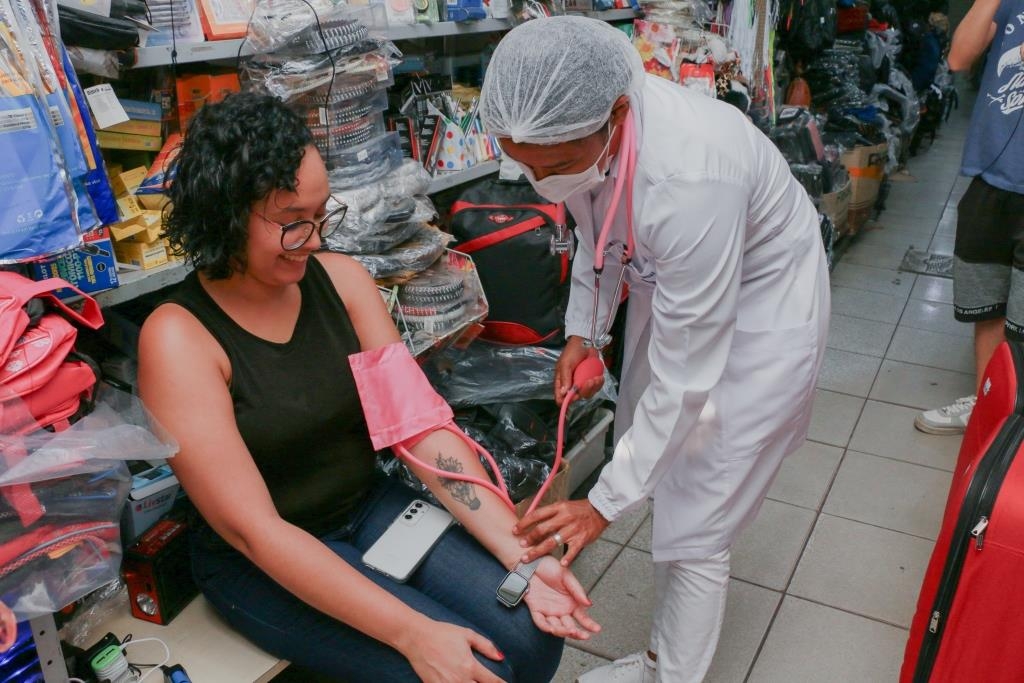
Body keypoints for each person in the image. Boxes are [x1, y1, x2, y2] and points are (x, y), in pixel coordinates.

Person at [137, 91, 599, 683]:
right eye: (292, 222)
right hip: (258, 558)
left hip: (366, 507)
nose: (314, 238)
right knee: (465, 669)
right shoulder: (178, 338)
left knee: (531, 638)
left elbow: (419, 427)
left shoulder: (342, 281)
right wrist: (414, 634)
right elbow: (255, 531)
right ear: (225, 213)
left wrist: (521, 557)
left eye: (321, 214)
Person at [479, 17, 830, 683]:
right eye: (525, 165)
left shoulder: (692, 176)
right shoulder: (581, 135)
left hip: (763, 307)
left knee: (698, 515)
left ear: (615, 116)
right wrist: (585, 334)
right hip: (676, 284)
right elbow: (599, 232)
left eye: (555, 166)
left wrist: (601, 503)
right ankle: (657, 661)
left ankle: (670, 675)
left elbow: (686, 375)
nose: (540, 181)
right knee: (662, 462)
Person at [914, 0, 1024, 436]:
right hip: (992, 176)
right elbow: (959, 57)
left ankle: (1014, 429)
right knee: (987, 304)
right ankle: (986, 406)